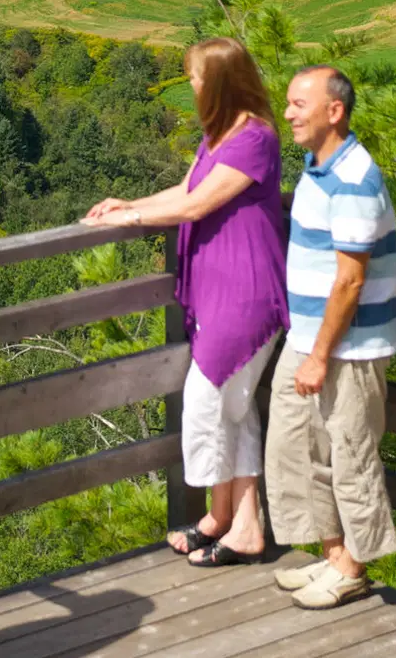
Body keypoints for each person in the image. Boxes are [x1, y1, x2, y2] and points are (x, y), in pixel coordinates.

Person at [84, 36, 287, 567]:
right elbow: (183, 190)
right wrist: (130, 204)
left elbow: (198, 205)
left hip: (247, 294)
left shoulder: (256, 140)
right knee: (235, 407)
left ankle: (227, 516)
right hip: (220, 293)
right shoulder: (220, 137)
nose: (191, 85)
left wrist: (132, 219)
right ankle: (237, 523)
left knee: (206, 399)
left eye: (196, 77)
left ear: (219, 82)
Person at [266, 64, 396, 610]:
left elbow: (350, 278)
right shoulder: (320, 169)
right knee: (298, 447)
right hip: (310, 341)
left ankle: (353, 568)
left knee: (350, 456)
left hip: (347, 349)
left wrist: (319, 355)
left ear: (334, 111)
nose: (289, 113)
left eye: (300, 104)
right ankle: (334, 551)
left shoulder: (354, 178)